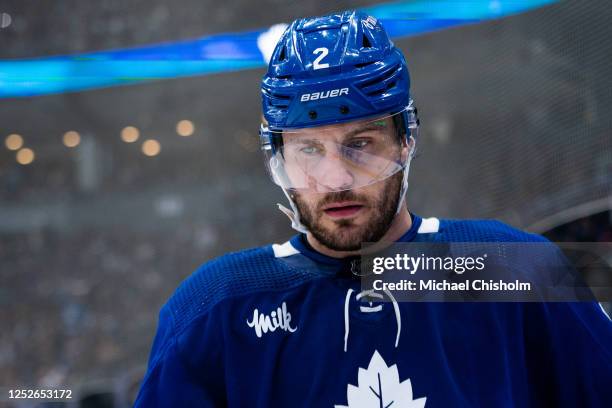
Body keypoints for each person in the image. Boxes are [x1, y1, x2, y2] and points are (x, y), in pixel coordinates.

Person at [134, 10, 612, 407]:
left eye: (360, 144)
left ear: (405, 141)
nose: (336, 179)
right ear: (277, 157)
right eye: (308, 150)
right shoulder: (213, 309)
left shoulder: (519, 272)